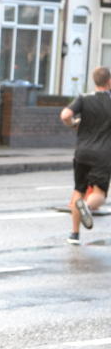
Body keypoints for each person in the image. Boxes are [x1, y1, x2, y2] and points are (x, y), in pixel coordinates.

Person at [59, 66, 111, 245]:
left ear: (94, 81)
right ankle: (86, 209)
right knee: (99, 194)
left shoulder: (84, 98)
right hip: (103, 154)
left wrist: (74, 124)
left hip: (82, 153)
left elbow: (65, 115)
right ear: (109, 81)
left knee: (78, 191)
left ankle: (74, 234)